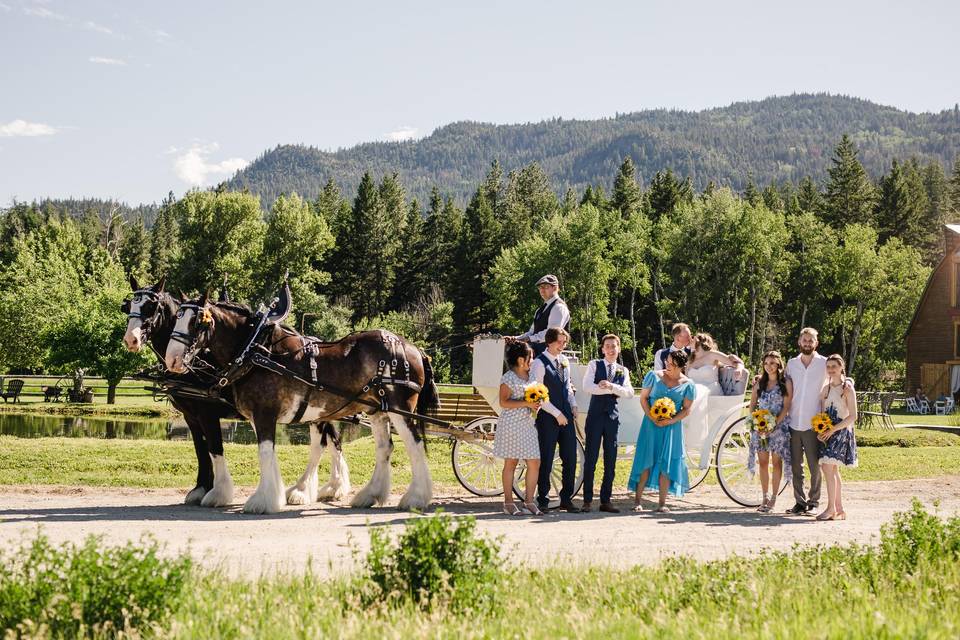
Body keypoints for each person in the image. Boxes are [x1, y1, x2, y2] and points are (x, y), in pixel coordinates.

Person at [627, 350, 696, 513]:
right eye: (667, 362)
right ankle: (637, 500)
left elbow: (686, 409)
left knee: (667, 462)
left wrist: (670, 421)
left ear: (681, 366)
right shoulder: (653, 376)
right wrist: (652, 417)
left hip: (672, 428)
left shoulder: (688, 384)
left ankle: (662, 503)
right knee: (645, 460)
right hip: (650, 426)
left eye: (672, 364)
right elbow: (643, 398)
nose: (668, 365)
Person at [580, 333, 634, 513]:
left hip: (612, 418)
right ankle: (587, 500)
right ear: (603, 349)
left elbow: (629, 393)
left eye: (614, 346)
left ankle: (606, 500)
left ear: (619, 349)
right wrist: (607, 390)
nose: (611, 349)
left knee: (610, 460)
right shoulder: (594, 365)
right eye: (608, 346)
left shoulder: (623, 370)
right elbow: (587, 387)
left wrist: (610, 387)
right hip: (595, 417)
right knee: (591, 459)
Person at [530, 327, 580, 512]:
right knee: (547, 458)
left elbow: (567, 387)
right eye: (560, 342)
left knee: (570, 457)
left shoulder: (564, 360)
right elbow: (538, 394)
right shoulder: (539, 363)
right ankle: (543, 499)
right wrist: (555, 413)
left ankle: (566, 498)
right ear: (549, 341)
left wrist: (573, 405)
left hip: (566, 415)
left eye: (564, 342)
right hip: (547, 418)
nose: (563, 345)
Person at [492, 341, 544, 516]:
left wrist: (537, 404)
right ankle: (508, 503)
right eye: (531, 357)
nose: (533, 360)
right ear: (521, 360)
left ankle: (529, 501)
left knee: (535, 462)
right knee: (511, 462)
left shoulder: (531, 378)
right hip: (511, 425)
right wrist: (526, 403)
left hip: (528, 425)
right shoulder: (508, 377)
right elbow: (503, 402)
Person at [784, 327, 827, 515]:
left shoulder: (824, 363)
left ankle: (814, 501)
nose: (807, 343)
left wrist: (848, 381)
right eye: (804, 340)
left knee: (814, 465)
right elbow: (781, 383)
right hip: (793, 420)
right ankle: (799, 502)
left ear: (816, 343)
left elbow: (838, 377)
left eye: (811, 341)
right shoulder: (792, 364)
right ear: (799, 342)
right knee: (795, 466)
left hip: (814, 421)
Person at [747, 350, 793, 513]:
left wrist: (773, 425)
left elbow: (787, 406)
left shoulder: (785, 382)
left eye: (773, 363)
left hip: (778, 428)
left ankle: (774, 498)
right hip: (760, 428)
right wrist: (756, 423)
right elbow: (753, 404)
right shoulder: (759, 381)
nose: (769, 366)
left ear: (779, 364)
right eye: (766, 363)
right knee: (764, 463)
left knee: (776, 463)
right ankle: (764, 497)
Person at [816, 354, 858, 521]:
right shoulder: (825, 389)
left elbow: (853, 416)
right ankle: (839, 509)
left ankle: (830, 508)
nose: (831, 369)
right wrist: (820, 428)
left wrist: (833, 429)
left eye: (834, 366)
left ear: (841, 367)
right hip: (827, 432)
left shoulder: (847, 389)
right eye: (829, 367)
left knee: (827, 468)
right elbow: (822, 412)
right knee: (832, 469)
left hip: (840, 431)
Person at [511, 274, 571, 357]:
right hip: (538, 355)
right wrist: (514, 338)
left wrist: (529, 339)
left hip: (551, 358)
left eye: (546, 287)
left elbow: (552, 334)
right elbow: (532, 332)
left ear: (555, 288)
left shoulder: (559, 307)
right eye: (540, 287)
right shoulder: (540, 310)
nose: (542, 290)